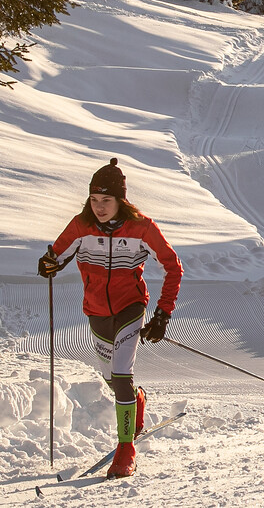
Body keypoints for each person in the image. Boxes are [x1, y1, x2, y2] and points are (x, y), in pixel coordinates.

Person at [37, 158, 183, 478]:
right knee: (111, 379)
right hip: (96, 312)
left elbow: (173, 267)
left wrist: (162, 314)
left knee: (119, 375)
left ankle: (125, 449)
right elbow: (56, 254)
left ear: (121, 200)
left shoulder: (142, 227)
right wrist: (49, 264)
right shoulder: (81, 225)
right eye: (94, 200)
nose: (100, 207)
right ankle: (137, 399)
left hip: (130, 308)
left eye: (106, 200)